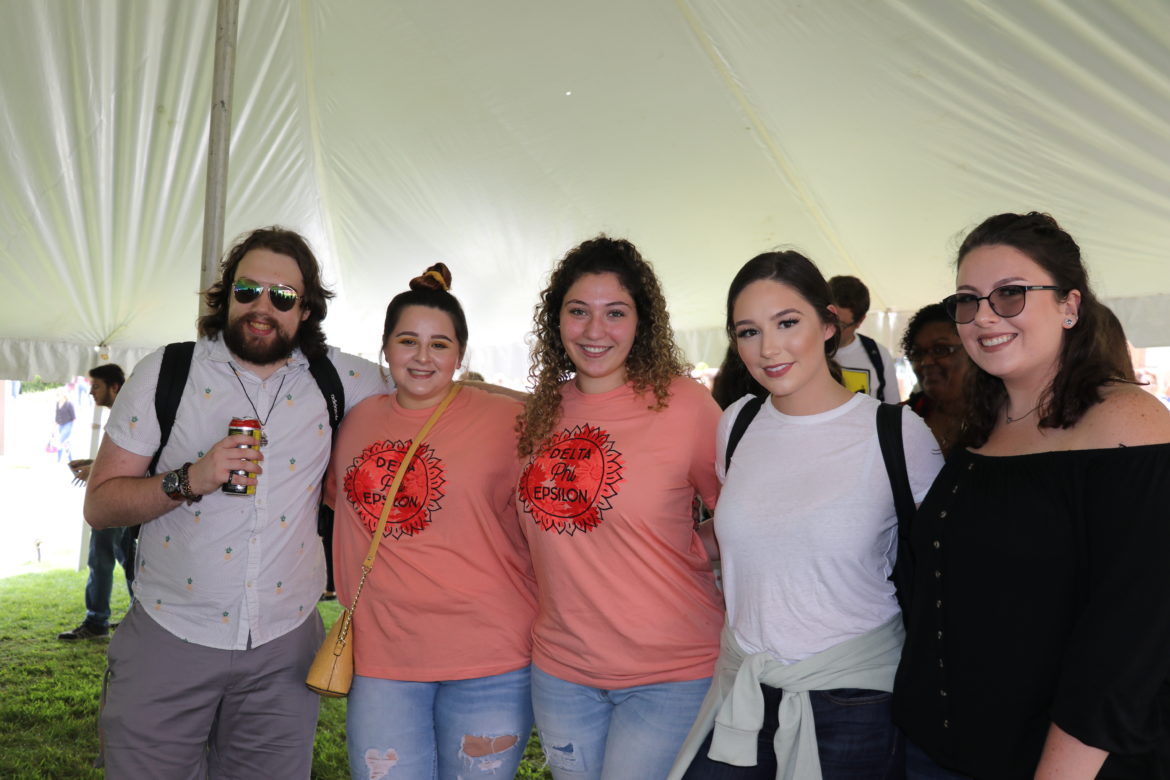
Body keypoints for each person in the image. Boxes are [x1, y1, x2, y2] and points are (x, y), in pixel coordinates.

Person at [84, 227, 389, 778]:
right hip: (169, 635)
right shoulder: (167, 372)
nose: (262, 307)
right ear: (225, 294)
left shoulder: (342, 379)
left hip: (283, 647)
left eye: (283, 296)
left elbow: (437, 385)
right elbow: (101, 506)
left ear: (307, 308)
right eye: (247, 290)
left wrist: (571, 395)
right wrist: (189, 479)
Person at [893, 212, 1170, 779]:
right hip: (935, 749)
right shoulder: (982, 422)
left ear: (1070, 306)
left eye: (1011, 294)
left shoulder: (1131, 425)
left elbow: (1130, 643)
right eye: (968, 300)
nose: (984, 317)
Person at [671, 251, 943, 780]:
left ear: (828, 324)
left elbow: (939, 565)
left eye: (787, 323)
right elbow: (753, 533)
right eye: (748, 331)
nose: (768, 348)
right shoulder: (738, 423)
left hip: (854, 698)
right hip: (744, 684)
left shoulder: (897, 433)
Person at [515, 236, 724, 780]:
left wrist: (691, 545)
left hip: (670, 670)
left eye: (615, 313)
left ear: (641, 322)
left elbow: (743, 514)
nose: (594, 330)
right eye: (578, 311)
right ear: (555, 320)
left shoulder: (685, 404)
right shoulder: (541, 411)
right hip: (562, 669)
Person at [327, 263, 538, 779]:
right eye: (408, 341)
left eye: (440, 345)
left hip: (491, 657)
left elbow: (580, 413)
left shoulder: (505, 420)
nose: (423, 357)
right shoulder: (355, 421)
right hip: (382, 661)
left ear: (460, 354)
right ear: (385, 347)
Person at [58, 364, 133, 640]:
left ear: (114, 387)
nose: (90, 391)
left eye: (96, 386)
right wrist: (93, 464)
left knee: (103, 557)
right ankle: (138, 618)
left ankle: (96, 622)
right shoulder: (124, 412)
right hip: (122, 496)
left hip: (116, 498)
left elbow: (136, 461)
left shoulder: (128, 414)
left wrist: (96, 470)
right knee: (130, 559)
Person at [900, 304, 971, 458]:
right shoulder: (898, 420)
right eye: (917, 353)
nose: (926, 362)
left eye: (940, 350)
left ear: (973, 352)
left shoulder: (1006, 421)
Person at [828, 275, 900, 402]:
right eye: (828, 319)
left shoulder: (879, 355)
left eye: (841, 325)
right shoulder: (808, 347)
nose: (832, 329)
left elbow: (893, 409)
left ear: (860, 321)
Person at [54, 389, 76, 462]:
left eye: (59, 395)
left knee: (60, 441)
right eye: (57, 395)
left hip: (68, 425)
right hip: (60, 426)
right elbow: (57, 416)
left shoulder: (69, 404)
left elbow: (74, 417)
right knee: (65, 443)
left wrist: (72, 428)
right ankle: (70, 459)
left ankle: (58, 460)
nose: (58, 396)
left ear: (63, 395)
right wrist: (53, 428)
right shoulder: (57, 403)